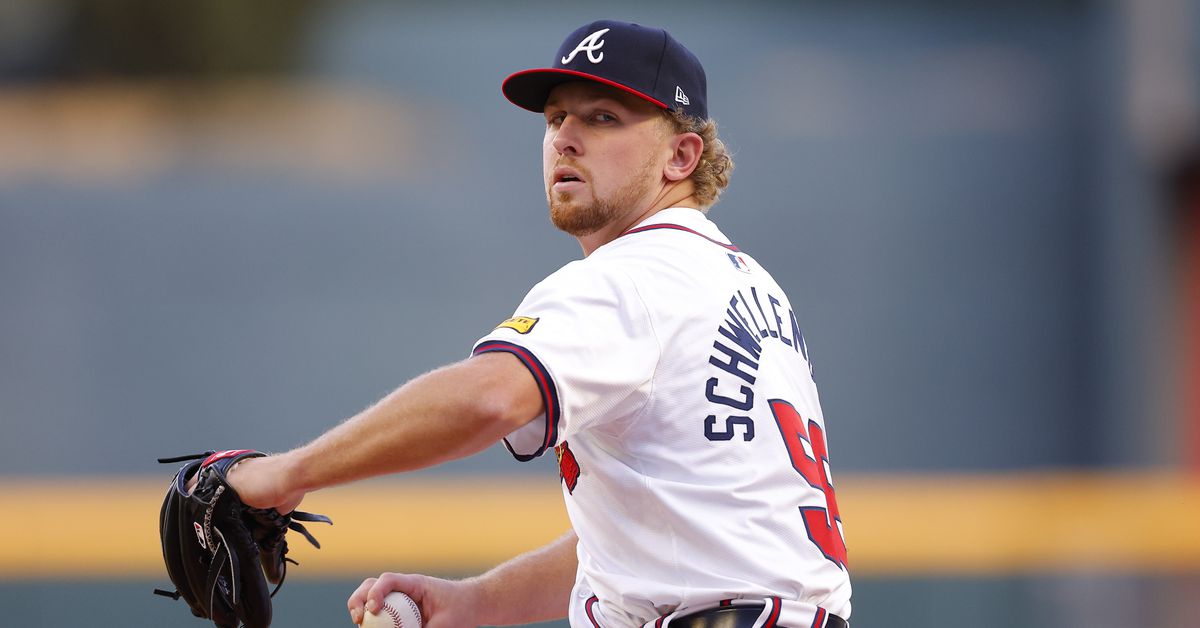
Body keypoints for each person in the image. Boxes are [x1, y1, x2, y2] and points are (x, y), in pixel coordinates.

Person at [224, 19, 852, 628]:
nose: (566, 138)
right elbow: (653, 542)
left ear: (682, 155)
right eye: (557, 119)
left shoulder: (633, 274)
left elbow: (491, 398)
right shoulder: (745, 285)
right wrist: (474, 602)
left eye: (603, 117)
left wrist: (284, 474)